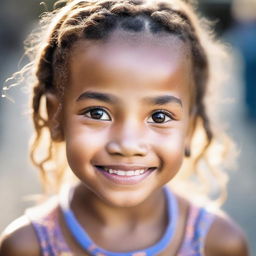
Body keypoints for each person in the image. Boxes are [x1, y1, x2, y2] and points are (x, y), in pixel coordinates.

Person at [0, 0, 249, 255]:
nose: (128, 144)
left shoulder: (218, 243)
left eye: (160, 117)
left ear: (190, 129)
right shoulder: (26, 246)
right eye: (97, 113)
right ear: (56, 117)